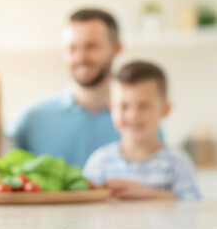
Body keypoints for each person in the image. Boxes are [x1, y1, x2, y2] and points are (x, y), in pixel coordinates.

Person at [6, 9, 122, 166]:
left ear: (116, 48)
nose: (81, 57)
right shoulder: (30, 120)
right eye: (72, 48)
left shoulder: (139, 122)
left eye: (91, 47)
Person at [83, 61, 200, 200]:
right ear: (112, 109)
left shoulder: (177, 164)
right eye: (124, 106)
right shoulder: (100, 162)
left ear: (165, 109)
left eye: (143, 106)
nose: (133, 116)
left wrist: (149, 194)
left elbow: (193, 208)